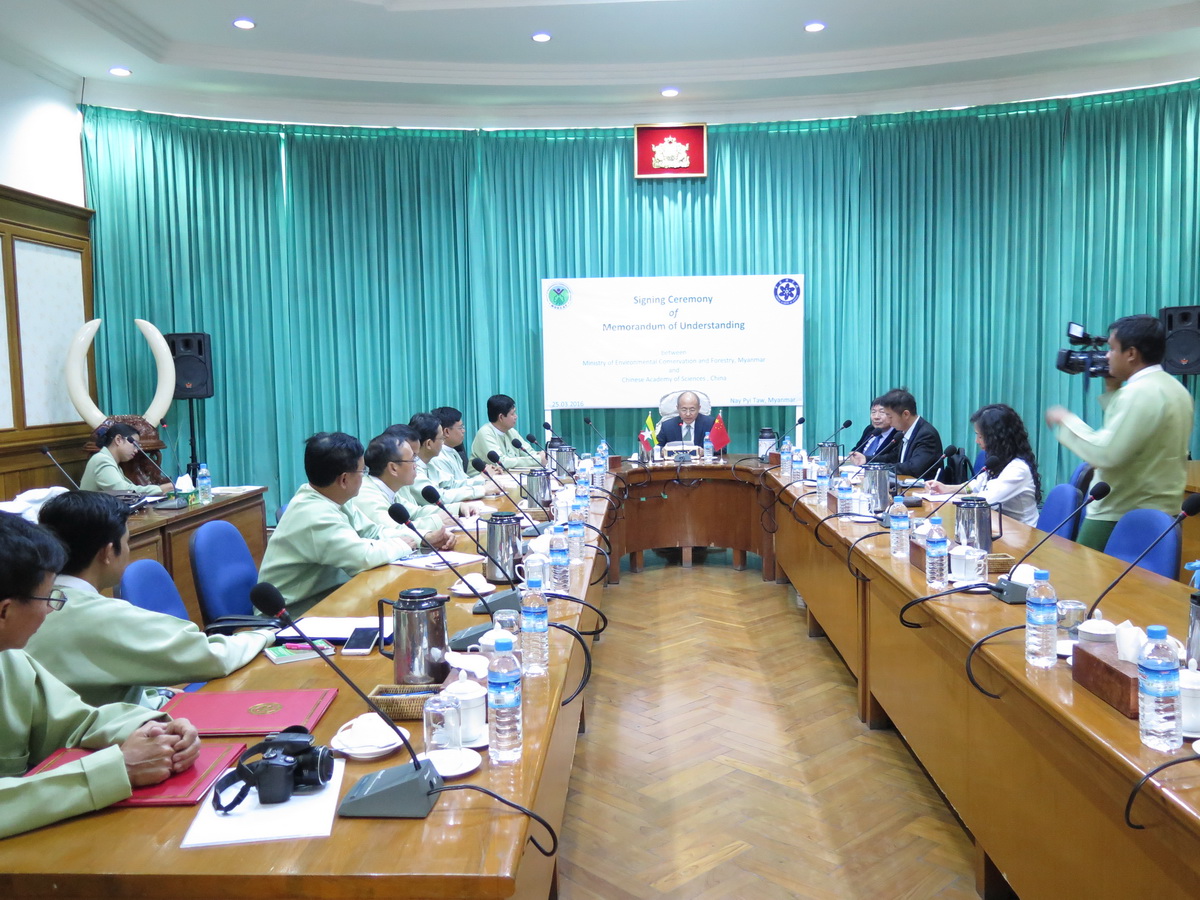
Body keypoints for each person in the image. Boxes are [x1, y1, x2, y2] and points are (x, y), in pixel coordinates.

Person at [0, 512, 199, 840]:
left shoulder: (10, 658)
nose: (50, 610)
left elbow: (76, 721)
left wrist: (155, 728)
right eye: (48, 598)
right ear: (5, 610)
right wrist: (117, 769)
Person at [25, 491, 275, 707]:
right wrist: (266, 634)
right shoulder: (102, 617)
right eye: (127, 541)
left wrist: (159, 694)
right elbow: (213, 657)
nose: (128, 550)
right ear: (108, 552)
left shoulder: (28, 606)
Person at [1046, 314, 1194, 550]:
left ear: (1131, 353)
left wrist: (1066, 421)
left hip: (1119, 515)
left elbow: (1106, 454)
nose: (1107, 356)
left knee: (1082, 573)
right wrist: (1113, 390)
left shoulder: (1137, 393)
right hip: (1164, 516)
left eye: (1112, 349)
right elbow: (1134, 436)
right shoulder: (1175, 389)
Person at [258, 432, 413, 611]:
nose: (364, 477)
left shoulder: (332, 497)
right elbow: (363, 557)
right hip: (294, 614)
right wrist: (403, 545)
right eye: (363, 471)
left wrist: (422, 537)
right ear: (344, 479)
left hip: (326, 598)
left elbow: (372, 532)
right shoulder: (314, 516)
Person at [927, 404, 1042, 526]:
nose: (977, 441)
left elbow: (985, 501)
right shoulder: (999, 459)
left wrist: (951, 498)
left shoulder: (1018, 469)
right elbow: (976, 485)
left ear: (997, 438)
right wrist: (946, 488)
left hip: (1022, 532)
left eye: (980, 436)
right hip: (999, 525)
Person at [353, 431, 456, 552]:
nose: (416, 465)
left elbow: (415, 512)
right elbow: (393, 528)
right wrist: (434, 524)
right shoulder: (367, 494)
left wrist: (456, 509)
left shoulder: (388, 488)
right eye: (412, 460)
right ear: (393, 468)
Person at [404, 412, 492, 516]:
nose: (443, 443)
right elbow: (440, 497)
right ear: (428, 444)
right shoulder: (412, 470)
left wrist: (483, 483)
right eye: (441, 439)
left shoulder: (429, 464)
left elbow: (452, 484)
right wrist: (481, 490)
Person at [429, 406, 501, 502]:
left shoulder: (453, 451)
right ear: (446, 431)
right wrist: (482, 478)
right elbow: (450, 488)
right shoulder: (438, 457)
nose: (464, 431)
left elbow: (463, 480)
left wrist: (486, 474)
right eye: (461, 428)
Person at [80, 423, 172, 495]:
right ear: (118, 439)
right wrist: (161, 489)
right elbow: (124, 491)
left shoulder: (110, 461)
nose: (136, 450)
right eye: (134, 444)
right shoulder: (102, 460)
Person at [878, 388, 944, 479]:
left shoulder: (926, 435)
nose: (888, 421)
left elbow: (914, 468)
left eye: (890, 417)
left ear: (906, 414)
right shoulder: (905, 431)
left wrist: (882, 469)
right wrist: (866, 459)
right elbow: (892, 457)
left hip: (923, 487)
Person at [470, 394, 534, 470]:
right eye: (512, 414)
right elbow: (501, 462)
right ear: (501, 417)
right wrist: (537, 460)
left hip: (507, 475)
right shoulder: (485, 433)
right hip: (482, 477)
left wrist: (539, 457)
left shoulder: (511, 432)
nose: (516, 416)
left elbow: (528, 452)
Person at [846, 398, 898, 466]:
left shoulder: (897, 435)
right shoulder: (870, 429)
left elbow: (892, 458)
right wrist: (853, 455)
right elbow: (857, 448)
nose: (876, 417)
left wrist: (866, 459)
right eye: (873, 412)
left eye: (882, 412)